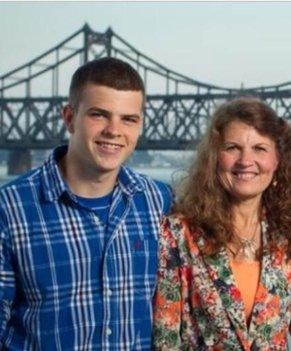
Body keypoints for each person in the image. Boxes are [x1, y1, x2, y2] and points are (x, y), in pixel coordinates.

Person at [0, 57, 172, 350]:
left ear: (140, 124)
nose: (114, 131)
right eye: (99, 115)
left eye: (128, 119)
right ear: (69, 118)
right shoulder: (10, 209)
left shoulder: (160, 201)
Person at [152, 97, 291, 350]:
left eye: (260, 148)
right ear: (214, 158)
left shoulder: (290, 239)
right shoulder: (178, 234)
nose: (246, 160)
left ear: (277, 162)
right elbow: (165, 338)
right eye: (233, 147)